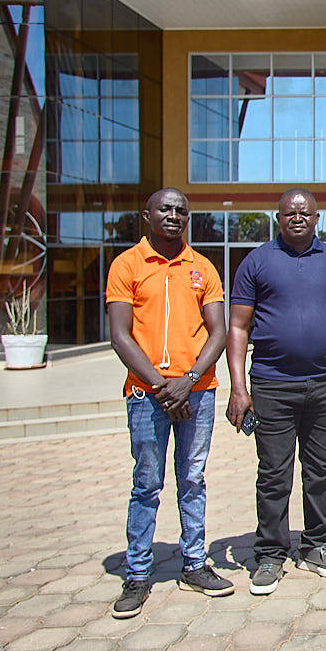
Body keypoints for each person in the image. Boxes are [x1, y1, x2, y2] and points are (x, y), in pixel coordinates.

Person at [106, 187, 233, 618]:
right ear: (147, 216)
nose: (174, 215)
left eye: (181, 210)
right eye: (165, 208)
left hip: (197, 393)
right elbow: (120, 335)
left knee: (193, 479)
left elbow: (218, 331)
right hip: (147, 396)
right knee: (147, 483)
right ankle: (137, 572)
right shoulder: (127, 265)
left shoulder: (202, 267)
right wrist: (163, 386)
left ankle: (195, 563)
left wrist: (189, 380)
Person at [226, 188, 326, 596]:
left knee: (321, 469)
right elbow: (238, 327)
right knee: (273, 473)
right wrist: (238, 388)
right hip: (271, 385)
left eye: (305, 213)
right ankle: (270, 553)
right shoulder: (256, 262)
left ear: (317, 218)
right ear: (278, 218)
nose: (297, 218)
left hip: (324, 382)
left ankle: (316, 544)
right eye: (289, 213)